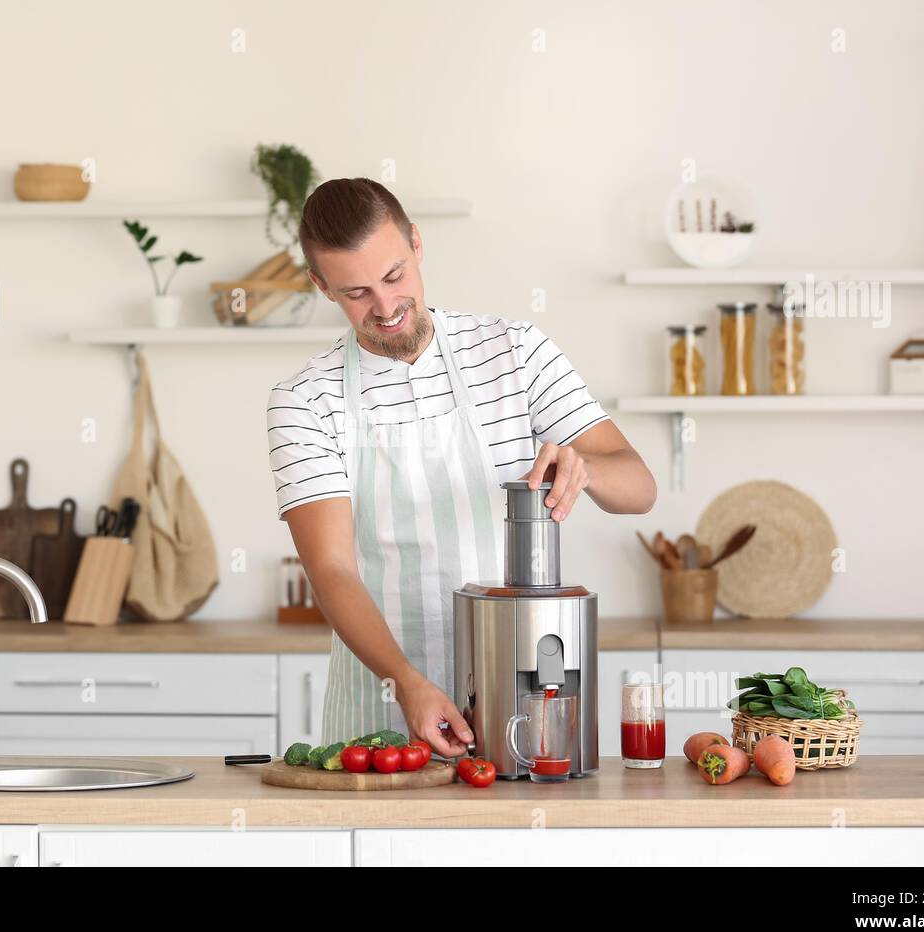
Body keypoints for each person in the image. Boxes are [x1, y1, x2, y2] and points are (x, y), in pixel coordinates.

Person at [266, 178, 656, 756]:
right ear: (322, 287)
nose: (385, 307)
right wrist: (408, 684)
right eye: (356, 293)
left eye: (395, 276)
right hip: (381, 714)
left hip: (519, 700)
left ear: (417, 244)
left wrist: (587, 470)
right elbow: (331, 569)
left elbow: (640, 488)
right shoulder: (305, 399)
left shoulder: (514, 352)